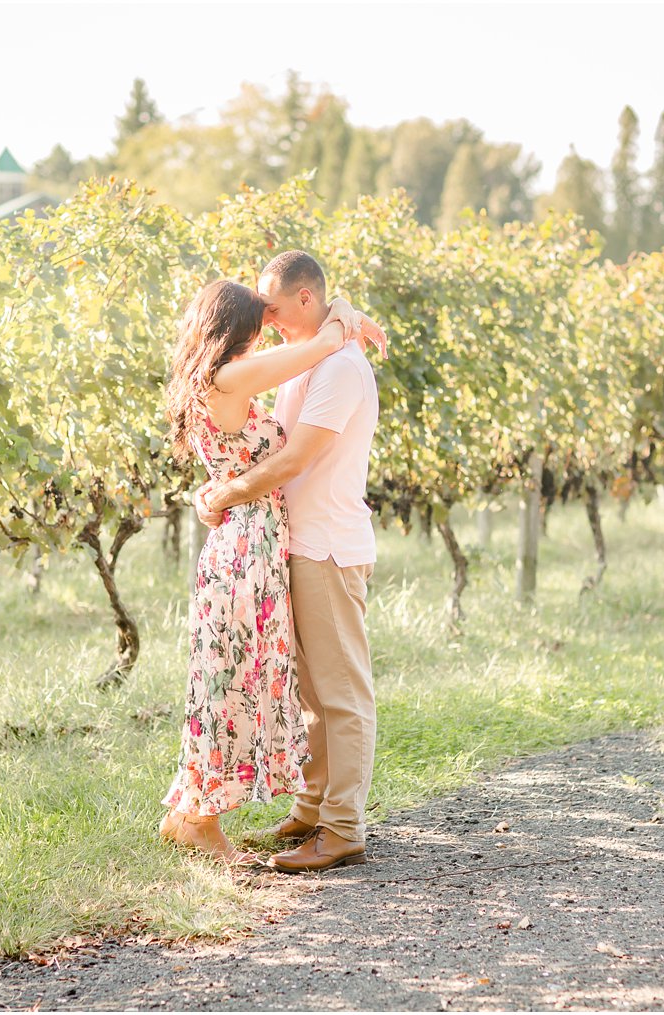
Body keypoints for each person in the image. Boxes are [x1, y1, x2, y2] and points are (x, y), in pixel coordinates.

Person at [158, 277, 381, 865]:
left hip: (264, 542)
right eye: (262, 318)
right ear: (238, 328)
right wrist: (345, 317)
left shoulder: (220, 373)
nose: (269, 324)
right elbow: (315, 347)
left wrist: (344, 316)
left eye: (275, 311)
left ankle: (204, 813)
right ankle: (200, 816)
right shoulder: (235, 375)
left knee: (232, 679)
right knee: (231, 682)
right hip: (250, 545)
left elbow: (297, 444)